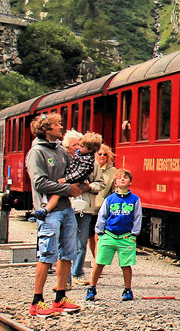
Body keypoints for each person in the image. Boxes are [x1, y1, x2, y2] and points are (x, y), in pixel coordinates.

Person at [25, 112, 86, 318]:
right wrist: (69, 190)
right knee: (47, 254)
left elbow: (71, 173)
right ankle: (37, 300)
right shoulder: (36, 153)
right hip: (48, 211)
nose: (61, 127)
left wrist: (81, 183)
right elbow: (39, 183)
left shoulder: (61, 150)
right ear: (46, 129)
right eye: (57, 124)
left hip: (66, 208)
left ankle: (60, 297)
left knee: (69, 251)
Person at [85, 168, 141, 302]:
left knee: (126, 265)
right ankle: (92, 287)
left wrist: (134, 234)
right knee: (99, 262)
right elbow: (102, 215)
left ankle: (127, 289)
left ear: (130, 182)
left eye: (126, 177)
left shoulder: (135, 200)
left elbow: (137, 217)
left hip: (126, 237)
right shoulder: (110, 199)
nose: (122, 179)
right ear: (115, 182)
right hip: (109, 235)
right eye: (119, 177)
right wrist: (99, 232)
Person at [32, 130, 99, 222]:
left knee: (57, 193)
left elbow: (82, 174)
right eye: (74, 145)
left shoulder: (87, 160)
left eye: (80, 145)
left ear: (89, 149)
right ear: (66, 147)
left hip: (83, 205)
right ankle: (45, 210)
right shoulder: (68, 157)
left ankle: (45, 210)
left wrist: (89, 187)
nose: (77, 147)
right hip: (68, 204)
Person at [74, 144, 117, 282]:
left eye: (105, 154)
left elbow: (112, 191)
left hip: (101, 209)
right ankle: (90, 263)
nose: (102, 156)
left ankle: (96, 264)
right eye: (100, 154)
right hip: (88, 208)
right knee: (89, 237)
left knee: (98, 237)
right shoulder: (88, 167)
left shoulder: (112, 171)